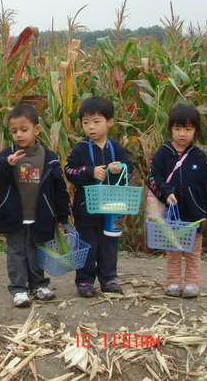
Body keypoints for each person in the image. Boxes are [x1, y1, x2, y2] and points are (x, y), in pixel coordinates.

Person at [0, 104, 70, 307]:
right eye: (14, 131)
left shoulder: (49, 157)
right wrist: (5, 163)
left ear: (36, 129)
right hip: (14, 216)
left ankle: (39, 285)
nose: (19, 135)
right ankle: (19, 289)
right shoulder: (6, 155)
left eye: (24, 129)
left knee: (36, 251)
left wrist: (62, 216)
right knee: (16, 252)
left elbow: (59, 188)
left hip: (41, 216)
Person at [147, 103, 207, 298]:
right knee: (173, 252)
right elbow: (153, 177)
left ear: (196, 131)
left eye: (188, 129)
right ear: (170, 129)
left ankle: (192, 283)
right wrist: (165, 192)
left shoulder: (199, 156)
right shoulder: (163, 154)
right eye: (177, 129)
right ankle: (173, 282)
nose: (182, 134)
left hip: (194, 213)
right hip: (171, 214)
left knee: (193, 252)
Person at [64, 96, 133, 297]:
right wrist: (89, 171)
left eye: (96, 122)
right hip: (86, 207)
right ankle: (84, 281)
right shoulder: (80, 149)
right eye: (86, 123)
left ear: (109, 122)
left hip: (112, 207)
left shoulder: (116, 148)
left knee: (109, 244)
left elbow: (129, 169)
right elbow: (69, 171)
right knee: (87, 245)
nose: (91, 127)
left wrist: (118, 169)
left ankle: (108, 278)